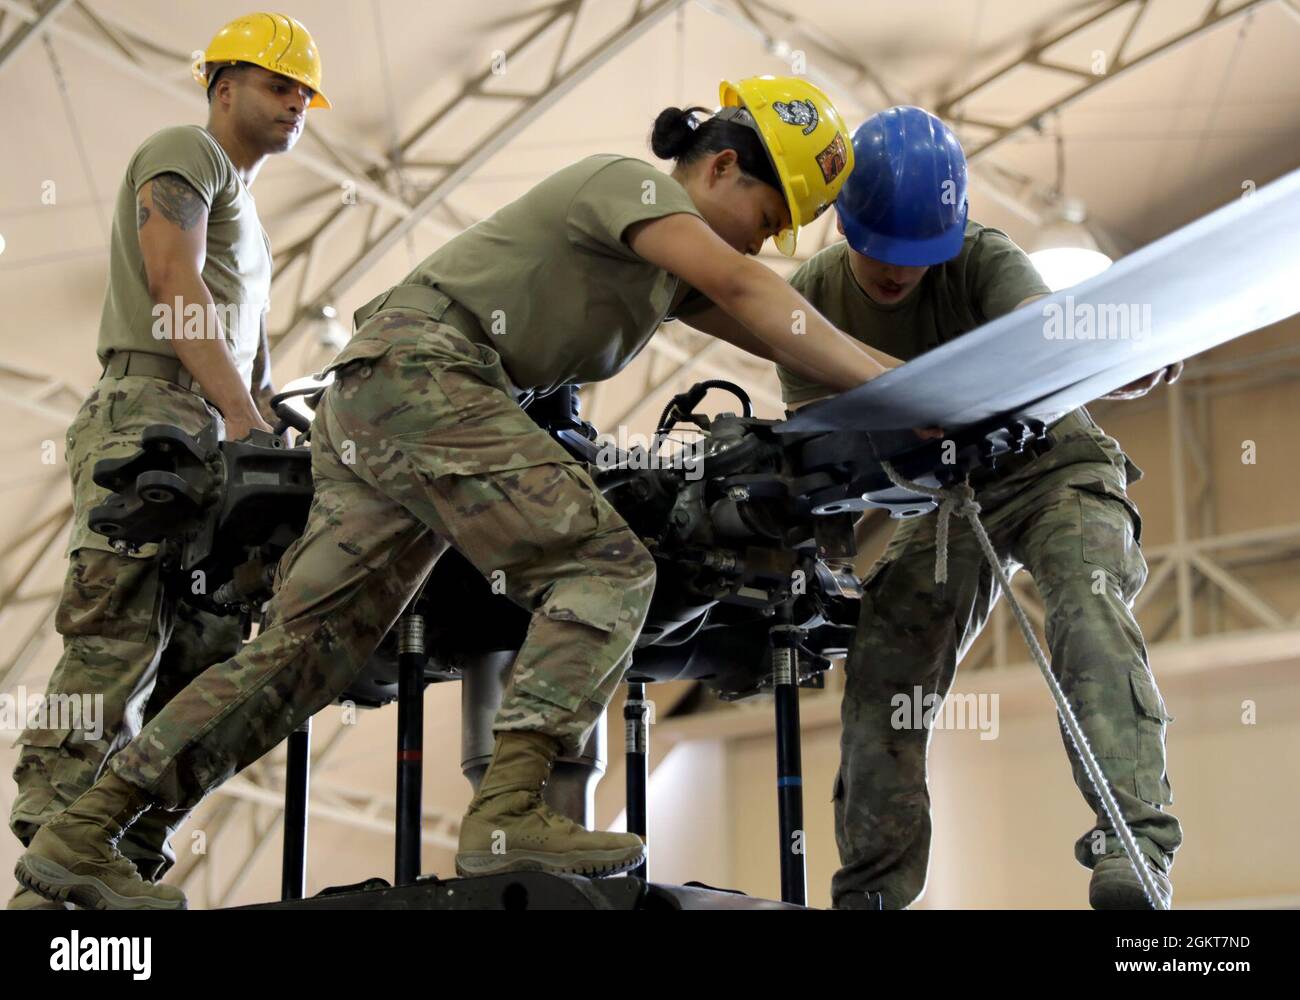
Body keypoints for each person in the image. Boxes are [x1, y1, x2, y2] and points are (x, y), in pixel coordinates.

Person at [15, 76, 906, 909]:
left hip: (380, 396)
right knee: (606, 564)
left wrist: (897, 381)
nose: (763, 240)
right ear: (719, 165)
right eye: (768, 213)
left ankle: (88, 831)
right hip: (422, 373)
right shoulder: (629, 187)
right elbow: (752, 289)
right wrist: (911, 395)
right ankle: (511, 809)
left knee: (302, 656)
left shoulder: (668, 270)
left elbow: (776, 329)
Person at [785, 106, 1183, 909]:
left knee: (1090, 609)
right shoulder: (810, 299)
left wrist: (1115, 358)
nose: (897, 274)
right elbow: (820, 453)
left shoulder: (982, 258)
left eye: (916, 257)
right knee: (884, 663)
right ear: (842, 222)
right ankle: (872, 890)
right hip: (940, 495)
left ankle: (1133, 849)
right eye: (878, 252)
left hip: (1053, 464)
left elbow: (1046, 338)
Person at [7, 12, 328, 910]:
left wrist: (267, 434)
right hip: (149, 412)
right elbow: (172, 283)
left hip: (211, 430)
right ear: (223, 87)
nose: (296, 103)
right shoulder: (188, 151)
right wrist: (238, 415)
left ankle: (121, 839)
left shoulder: (253, 229)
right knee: (117, 633)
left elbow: (247, 359)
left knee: (210, 645)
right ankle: (61, 820)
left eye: (304, 92)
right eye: (278, 84)